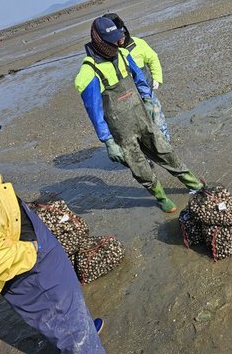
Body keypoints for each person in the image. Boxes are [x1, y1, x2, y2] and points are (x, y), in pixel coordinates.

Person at [0, 109, 133, 354]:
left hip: (28, 245)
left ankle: (78, 327)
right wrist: (31, 252)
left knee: (66, 300)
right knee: (57, 307)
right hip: (25, 264)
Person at [74, 17, 203, 213]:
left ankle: (194, 184)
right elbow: (94, 111)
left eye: (118, 38)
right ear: (99, 40)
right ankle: (160, 197)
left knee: (165, 151)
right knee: (139, 166)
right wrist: (107, 141)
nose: (118, 43)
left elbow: (139, 78)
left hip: (142, 118)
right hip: (122, 130)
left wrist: (147, 99)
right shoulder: (88, 73)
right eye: (112, 40)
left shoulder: (124, 55)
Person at [103, 12, 171, 142]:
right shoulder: (111, 55)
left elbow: (153, 58)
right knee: (138, 128)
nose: (121, 38)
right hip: (128, 98)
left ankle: (166, 144)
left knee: (158, 120)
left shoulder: (138, 43)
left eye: (123, 33)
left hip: (147, 92)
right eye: (118, 36)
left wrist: (157, 78)